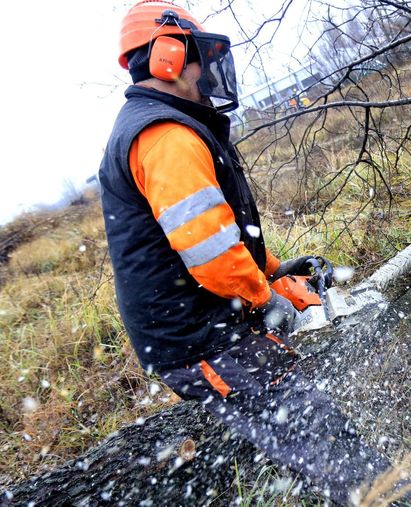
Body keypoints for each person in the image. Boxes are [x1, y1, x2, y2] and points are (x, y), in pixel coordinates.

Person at [99, 1, 393, 503]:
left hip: (205, 323)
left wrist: (274, 271)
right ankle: (382, 493)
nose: (208, 74)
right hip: (199, 339)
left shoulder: (163, 126)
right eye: (200, 59)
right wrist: (266, 299)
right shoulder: (164, 137)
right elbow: (210, 252)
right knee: (319, 434)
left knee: (304, 421)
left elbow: (218, 231)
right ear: (168, 56)